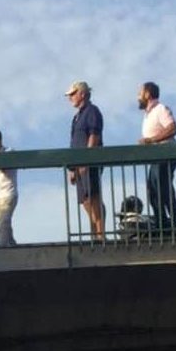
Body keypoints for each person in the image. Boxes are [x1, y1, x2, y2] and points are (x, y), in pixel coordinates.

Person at [138, 81, 176, 228]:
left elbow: (172, 128)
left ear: (148, 94)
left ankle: (175, 223)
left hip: (165, 153)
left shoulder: (160, 109)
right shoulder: (149, 114)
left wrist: (151, 140)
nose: (138, 96)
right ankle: (162, 222)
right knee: (153, 190)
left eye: (140, 93)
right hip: (157, 156)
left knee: (163, 188)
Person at [65, 80, 105, 239]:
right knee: (85, 199)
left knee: (93, 196)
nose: (70, 98)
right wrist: (72, 168)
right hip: (78, 165)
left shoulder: (92, 111)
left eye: (73, 94)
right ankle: (95, 232)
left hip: (90, 163)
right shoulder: (76, 117)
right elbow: (74, 142)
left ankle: (100, 234)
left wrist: (86, 160)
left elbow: (94, 135)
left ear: (82, 94)